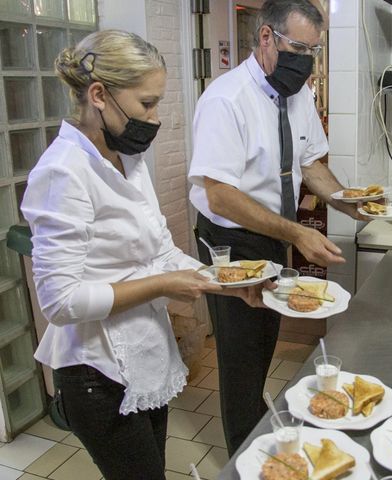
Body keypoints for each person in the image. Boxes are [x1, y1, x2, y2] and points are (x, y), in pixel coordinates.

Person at [21, 30, 265, 480]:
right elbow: (60, 302)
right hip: (97, 373)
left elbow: (160, 252)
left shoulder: (126, 159)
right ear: (99, 95)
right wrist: (164, 286)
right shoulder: (62, 173)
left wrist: (228, 285)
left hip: (144, 357)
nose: (155, 119)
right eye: (146, 104)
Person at [188, 0, 363, 455]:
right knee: (242, 357)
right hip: (230, 239)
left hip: (271, 235)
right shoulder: (226, 99)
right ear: (267, 37)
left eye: (314, 52)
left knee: (264, 342)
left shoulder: (298, 95)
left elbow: (311, 165)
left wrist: (352, 204)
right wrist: (297, 233)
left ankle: (255, 441)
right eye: (299, 48)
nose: (306, 62)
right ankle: (243, 460)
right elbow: (220, 195)